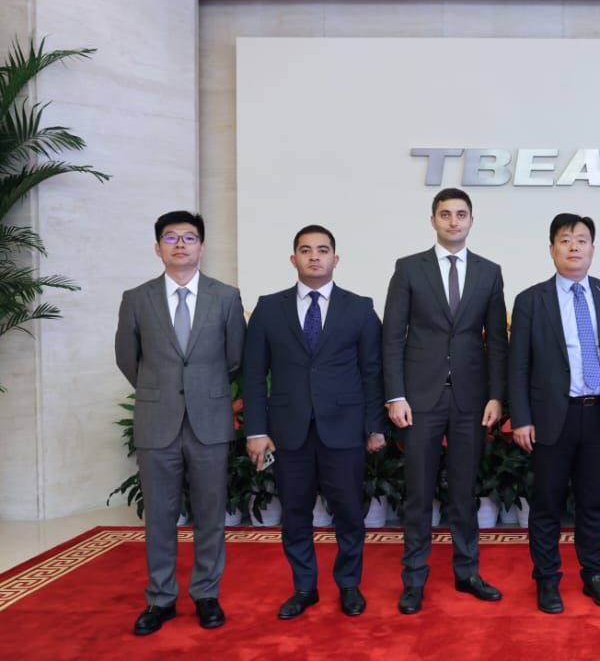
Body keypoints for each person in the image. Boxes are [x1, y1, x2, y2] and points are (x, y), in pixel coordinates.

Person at [241, 225, 386, 620]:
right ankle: (304, 587)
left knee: (349, 512)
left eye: (322, 250)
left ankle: (349, 584)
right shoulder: (269, 309)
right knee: (295, 513)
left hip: (345, 429)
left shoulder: (359, 308)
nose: (314, 257)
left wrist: (375, 426)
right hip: (289, 432)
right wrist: (256, 431)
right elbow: (253, 375)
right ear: (294, 259)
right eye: (306, 250)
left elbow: (373, 372)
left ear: (335, 259)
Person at [114, 211, 245, 635]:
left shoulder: (226, 297)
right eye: (171, 238)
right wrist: (161, 390)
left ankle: (206, 594)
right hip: (158, 420)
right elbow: (128, 358)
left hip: (209, 421)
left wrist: (201, 388)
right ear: (158, 248)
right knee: (160, 514)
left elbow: (235, 358)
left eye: (189, 238)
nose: (181, 245)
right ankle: (160, 598)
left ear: (202, 247)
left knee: (210, 512)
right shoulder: (137, 298)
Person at [382, 188, 508, 614]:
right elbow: (392, 336)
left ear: (471, 220)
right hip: (419, 398)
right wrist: (396, 395)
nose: (454, 221)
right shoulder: (408, 269)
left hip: (470, 399)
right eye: (445, 214)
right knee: (418, 492)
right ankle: (414, 578)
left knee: (464, 490)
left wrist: (496, 395)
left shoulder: (489, 272)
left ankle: (467, 571)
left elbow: (497, 341)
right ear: (433, 220)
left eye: (461, 214)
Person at [508, 213, 600, 614]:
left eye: (582, 239)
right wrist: (521, 418)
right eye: (565, 240)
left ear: (593, 249)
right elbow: (518, 365)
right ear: (552, 249)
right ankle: (547, 578)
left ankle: (594, 573)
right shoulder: (531, 300)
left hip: (598, 415)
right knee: (547, 503)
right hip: (551, 417)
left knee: (594, 502)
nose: (574, 246)